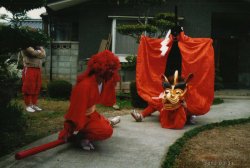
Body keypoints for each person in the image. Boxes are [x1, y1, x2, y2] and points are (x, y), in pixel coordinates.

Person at [58, 50, 121, 150]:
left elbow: (109, 93)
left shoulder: (103, 81)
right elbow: (75, 110)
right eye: (109, 71)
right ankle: (81, 138)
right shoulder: (84, 86)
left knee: (106, 126)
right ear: (100, 70)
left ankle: (84, 134)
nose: (112, 74)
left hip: (92, 114)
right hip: (82, 116)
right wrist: (68, 130)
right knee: (105, 130)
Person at [20, 46, 46, 113]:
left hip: (37, 69)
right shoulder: (26, 45)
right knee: (28, 87)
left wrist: (39, 52)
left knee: (36, 87)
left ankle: (34, 104)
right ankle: (28, 105)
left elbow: (43, 55)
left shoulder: (37, 46)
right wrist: (40, 51)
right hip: (29, 68)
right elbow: (33, 53)